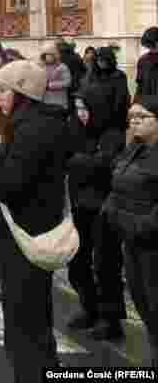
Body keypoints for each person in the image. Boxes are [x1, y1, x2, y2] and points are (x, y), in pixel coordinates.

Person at [0, 60, 70, 383]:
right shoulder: (27, 124)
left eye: (4, 89)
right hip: (19, 236)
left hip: (26, 238)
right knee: (32, 320)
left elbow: (9, 184)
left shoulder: (34, 130)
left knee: (24, 326)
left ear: (22, 92)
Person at [66, 95, 127, 340]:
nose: (81, 113)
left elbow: (105, 164)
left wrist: (78, 162)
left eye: (86, 108)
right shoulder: (75, 130)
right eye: (78, 108)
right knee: (77, 261)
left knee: (106, 264)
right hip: (79, 205)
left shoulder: (112, 134)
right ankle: (88, 306)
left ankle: (110, 318)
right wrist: (84, 162)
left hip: (104, 208)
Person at [105, 96, 158, 369]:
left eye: (142, 116)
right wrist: (111, 212)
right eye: (132, 117)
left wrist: (129, 224)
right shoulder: (133, 149)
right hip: (132, 243)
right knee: (144, 306)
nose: (134, 121)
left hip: (152, 245)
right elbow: (115, 183)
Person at [40, 40, 72, 112]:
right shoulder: (43, 67)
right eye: (45, 55)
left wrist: (50, 85)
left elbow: (67, 82)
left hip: (59, 102)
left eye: (49, 55)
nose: (47, 57)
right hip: (45, 101)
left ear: (54, 55)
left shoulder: (62, 67)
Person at [137, 27, 158, 100]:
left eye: (153, 45)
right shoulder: (143, 61)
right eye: (149, 46)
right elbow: (140, 87)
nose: (151, 48)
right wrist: (135, 103)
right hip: (147, 105)